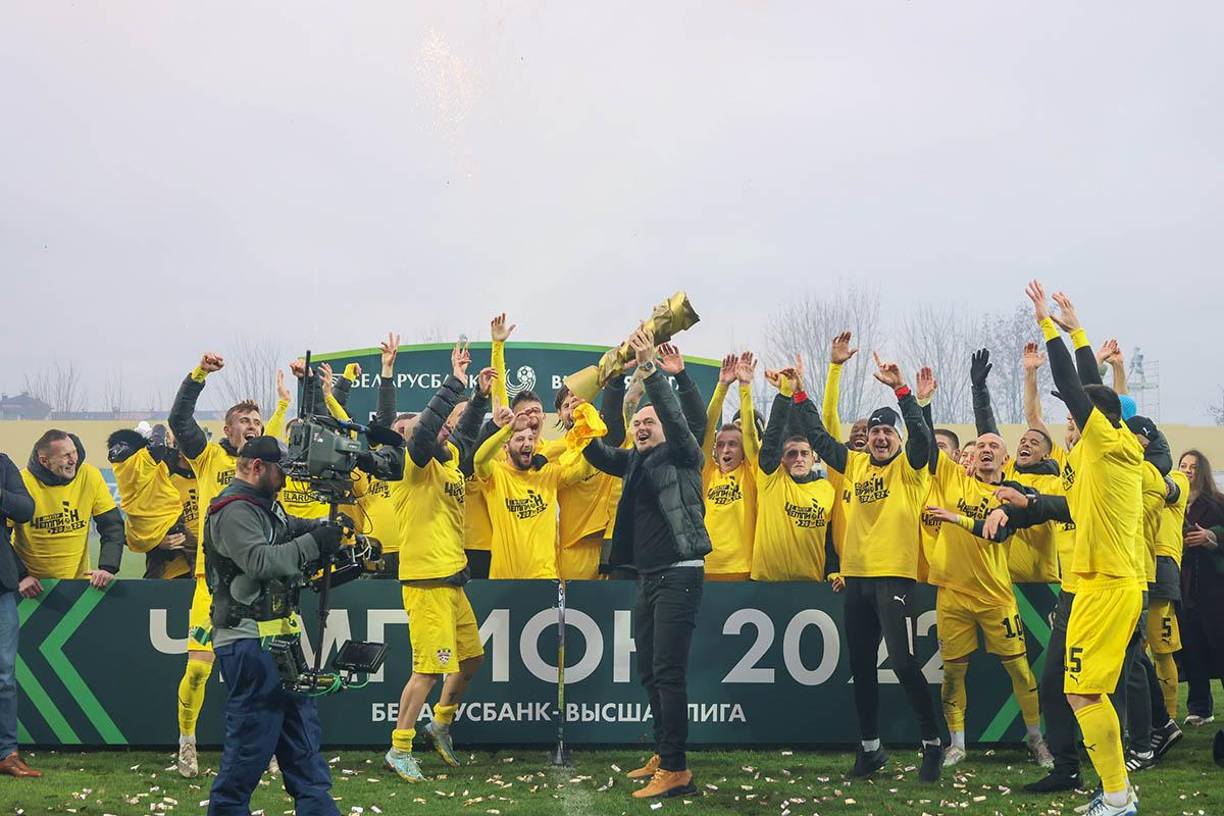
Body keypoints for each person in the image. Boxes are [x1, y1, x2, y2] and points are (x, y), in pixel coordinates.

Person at [1025, 281, 1142, 816]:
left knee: (1083, 696)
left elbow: (1077, 387)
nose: (1069, 420)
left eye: (1075, 417)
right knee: (1084, 693)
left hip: (1104, 587)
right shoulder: (1112, 442)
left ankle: (1117, 798)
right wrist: (1082, 332)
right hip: (1106, 583)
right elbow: (1093, 389)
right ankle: (1118, 790)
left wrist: (1049, 324)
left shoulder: (1101, 438)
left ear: (1093, 421)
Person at [803, 348, 944, 782]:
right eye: (876, 430)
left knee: (903, 664)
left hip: (895, 578)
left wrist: (903, 390)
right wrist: (799, 393)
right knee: (861, 666)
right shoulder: (856, 462)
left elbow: (921, 437)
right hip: (857, 578)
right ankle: (869, 749)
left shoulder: (912, 466)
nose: (881, 437)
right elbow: (819, 437)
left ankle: (933, 742)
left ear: (898, 438)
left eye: (888, 432)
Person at [582, 326, 709, 799]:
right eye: (637, 423)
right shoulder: (635, 462)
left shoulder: (681, 455)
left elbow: (680, 421)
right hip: (650, 578)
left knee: (669, 671)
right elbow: (597, 450)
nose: (639, 427)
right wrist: (597, 398)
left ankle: (677, 769)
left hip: (680, 575)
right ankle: (663, 751)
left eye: (647, 423)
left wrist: (653, 372)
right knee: (651, 672)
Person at [202, 436, 345, 816]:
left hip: (280, 641)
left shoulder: (266, 507)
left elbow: (289, 528)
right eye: (282, 468)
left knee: (303, 746)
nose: (288, 477)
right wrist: (316, 542)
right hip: (248, 643)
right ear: (255, 467)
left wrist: (327, 529)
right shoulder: (234, 510)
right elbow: (260, 562)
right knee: (249, 750)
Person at [921, 362, 1051, 770]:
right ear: (971, 454)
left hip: (996, 596)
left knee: (1020, 672)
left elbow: (995, 534)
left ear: (1005, 456)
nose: (986, 449)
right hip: (953, 594)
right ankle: (957, 744)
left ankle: (1036, 739)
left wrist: (955, 518)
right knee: (953, 674)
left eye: (994, 445)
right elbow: (925, 443)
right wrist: (923, 402)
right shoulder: (954, 479)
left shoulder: (1012, 495)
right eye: (980, 445)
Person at [168, 352, 285, 778]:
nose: (252, 426)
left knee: (267, 670)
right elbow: (179, 421)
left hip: (262, 583)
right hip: (213, 584)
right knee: (199, 670)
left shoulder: (270, 469)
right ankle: (186, 742)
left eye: (257, 420)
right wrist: (198, 375)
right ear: (228, 430)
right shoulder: (210, 459)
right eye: (244, 421)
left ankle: (268, 746)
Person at [383, 341, 489, 782]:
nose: (439, 429)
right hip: (426, 582)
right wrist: (455, 381)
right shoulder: (415, 465)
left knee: (471, 660)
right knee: (427, 669)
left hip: (452, 580)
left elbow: (461, 434)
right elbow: (426, 431)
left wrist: (479, 397)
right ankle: (399, 747)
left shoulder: (449, 465)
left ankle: (440, 723)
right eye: (422, 428)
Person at [473, 394, 595, 580]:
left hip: (545, 577)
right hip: (503, 578)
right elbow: (479, 459)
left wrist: (587, 432)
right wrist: (508, 429)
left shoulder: (549, 473)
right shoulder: (496, 474)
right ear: (506, 447)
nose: (527, 443)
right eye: (520, 439)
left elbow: (584, 470)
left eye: (531, 439)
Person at [750, 358, 839, 583]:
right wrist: (785, 395)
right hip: (765, 586)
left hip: (810, 587)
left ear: (814, 457)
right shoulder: (771, 480)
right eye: (791, 454)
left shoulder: (826, 489)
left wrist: (833, 570)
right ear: (781, 459)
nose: (798, 458)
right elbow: (771, 438)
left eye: (804, 453)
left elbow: (829, 539)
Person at [13, 430, 125, 587]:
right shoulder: (21, 482)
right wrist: (21, 576)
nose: (73, 460)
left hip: (78, 588)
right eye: (66, 455)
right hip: (31, 589)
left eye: (74, 453)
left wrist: (108, 567)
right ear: (44, 461)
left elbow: (112, 525)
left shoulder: (89, 475)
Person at [107, 425, 195, 579]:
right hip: (170, 526)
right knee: (199, 557)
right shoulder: (144, 465)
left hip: (156, 531)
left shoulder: (127, 470)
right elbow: (158, 449)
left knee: (154, 575)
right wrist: (158, 430)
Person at [701, 352, 759, 580]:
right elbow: (706, 429)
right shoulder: (708, 473)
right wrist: (722, 386)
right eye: (721, 445)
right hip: (706, 567)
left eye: (733, 445)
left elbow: (751, 435)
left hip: (741, 568)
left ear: (743, 449)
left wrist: (745, 387)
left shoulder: (751, 474)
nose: (726, 450)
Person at [1177, 449, 1224, 727]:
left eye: (1193, 466)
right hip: (1184, 588)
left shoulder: (1217, 503)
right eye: (1183, 465)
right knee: (1191, 648)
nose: (1187, 470)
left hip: (1213, 588)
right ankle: (1199, 706)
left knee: (1219, 644)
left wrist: (1211, 536)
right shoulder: (1173, 503)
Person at [0, 450, 36, 779]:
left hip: (1, 587)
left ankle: (7, 754)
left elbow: (26, 510)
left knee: (4, 674)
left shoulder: (2, 464)